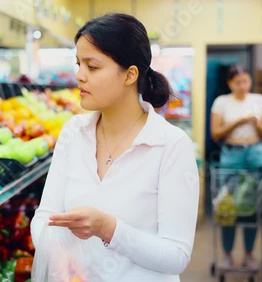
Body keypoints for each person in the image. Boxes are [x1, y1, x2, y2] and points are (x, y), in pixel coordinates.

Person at [30, 13, 200, 281]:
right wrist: (57, 254)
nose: (79, 76)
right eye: (78, 64)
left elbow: (176, 256)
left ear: (130, 74)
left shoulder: (171, 146)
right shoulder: (73, 133)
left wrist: (108, 228)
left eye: (92, 67)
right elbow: (45, 218)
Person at [210, 65, 262, 270]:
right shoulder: (222, 102)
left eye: (246, 81)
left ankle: (249, 254)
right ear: (229, 84)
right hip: (231, 156)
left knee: (252, 208)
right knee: (229, 207)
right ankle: (227, 255)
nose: (243, 86)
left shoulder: (259, 101)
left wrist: (254, 123)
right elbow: (216, 134)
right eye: (238, 82)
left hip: (255, 155)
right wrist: (238, 122)